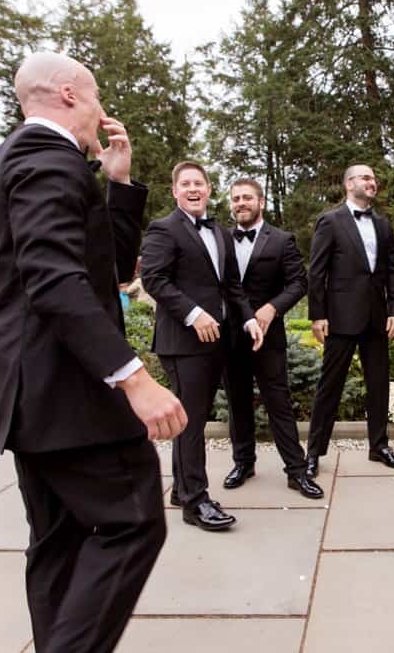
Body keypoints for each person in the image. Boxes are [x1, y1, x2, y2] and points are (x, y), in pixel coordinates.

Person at [0, 51, 187, 653]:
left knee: (60, 541)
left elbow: (107, 271)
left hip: (32, 400)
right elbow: (53, 281)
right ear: (70, 94)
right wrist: (134, 379)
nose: (102, 112)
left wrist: (116, 182)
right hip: (66, 396)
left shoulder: (30, 160)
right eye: (96, 97)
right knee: (133, 520)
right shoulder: (47, 162)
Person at [141, 161, 264, 531]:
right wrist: (194, 314)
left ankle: (182, 488)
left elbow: (231, 286)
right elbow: (154, 279)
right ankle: (196, 502)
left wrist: (248, 319)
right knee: (191, 422)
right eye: (186, 184)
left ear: (209, 190)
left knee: (191, 420)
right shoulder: (163, 229)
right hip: (182, 341)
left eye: (200, 183)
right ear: (175, 191)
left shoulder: (220, 233)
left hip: (218, 341)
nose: (193, 189)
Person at [222, 178, 323, 499]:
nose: (241, 203)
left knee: (278, 402)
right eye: (236, 198)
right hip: (230, 337)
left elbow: (298, 283)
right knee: (237, 403)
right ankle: (243, 463)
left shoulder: (281, 240)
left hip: (269, 336)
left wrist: (271, 309)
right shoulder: (219, 239)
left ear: (261, 202)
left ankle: (296, 471)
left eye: (247, 197)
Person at [306, 164, 394, 477]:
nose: (372, 182)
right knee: (330, 386)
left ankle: (379, 446)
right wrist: (318, 315)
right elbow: (316, 272)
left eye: (373, 178)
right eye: (365, 177)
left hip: (377, 318)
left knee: (379, 384)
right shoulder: (330, 221)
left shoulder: (382, 223)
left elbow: (393, 270)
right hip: (340, 318)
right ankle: (313, 453)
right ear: (349, 184)